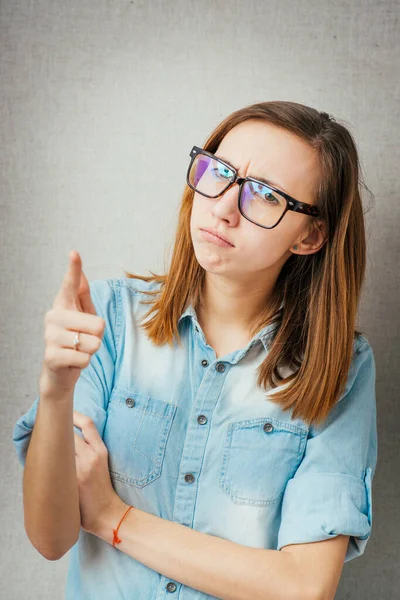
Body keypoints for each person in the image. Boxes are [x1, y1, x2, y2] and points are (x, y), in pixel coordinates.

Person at [12, 100, 378, 600]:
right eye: (219, 173)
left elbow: (303, 587)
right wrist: (55, 391)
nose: (224, 208)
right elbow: (50, 538)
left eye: (265, 196)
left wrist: (113, 517)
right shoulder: (110, 319)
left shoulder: (342, 369)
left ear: (310, 235)